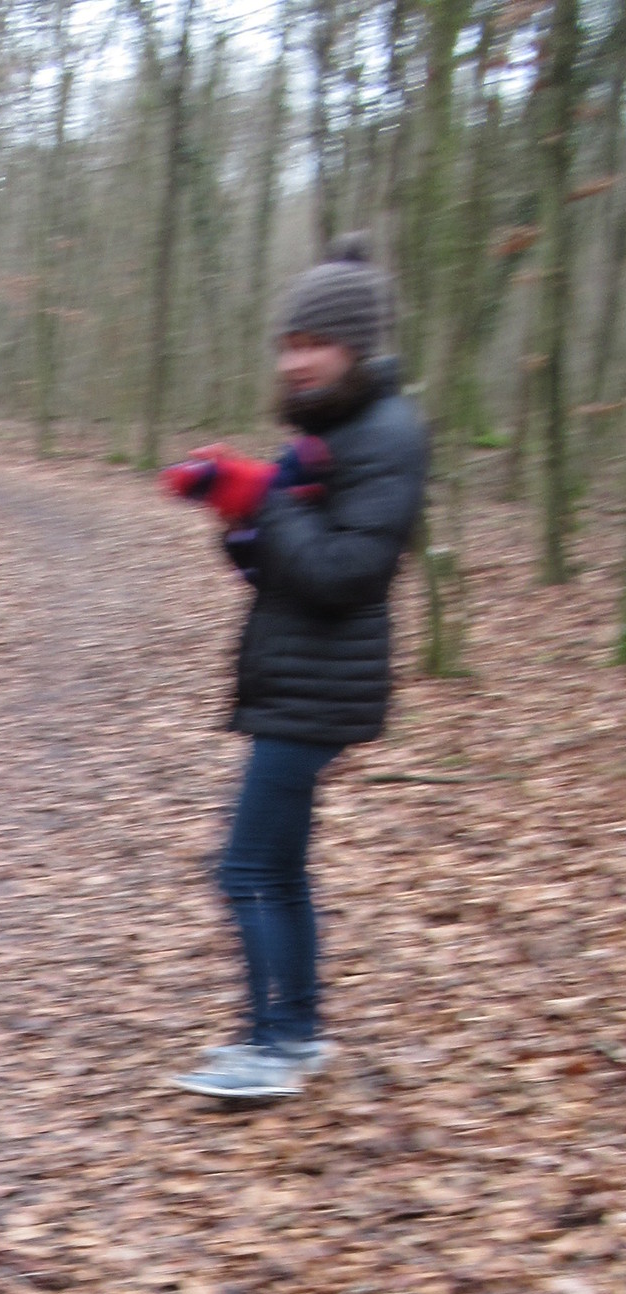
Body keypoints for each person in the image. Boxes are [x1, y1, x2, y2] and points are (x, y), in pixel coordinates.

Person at [159, 235, 427, 1102]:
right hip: (302, 676)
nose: (297, 361)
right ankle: (299, 1032)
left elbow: (347, 574)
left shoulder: (384, 435)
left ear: (356, 346)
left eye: (315, 344)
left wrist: (268, 499)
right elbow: (280, 569)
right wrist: (238, 516)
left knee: (243, 869)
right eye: (289, 344)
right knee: (279, 869)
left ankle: (271, 1045)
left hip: (319, 687)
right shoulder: (334, 433)